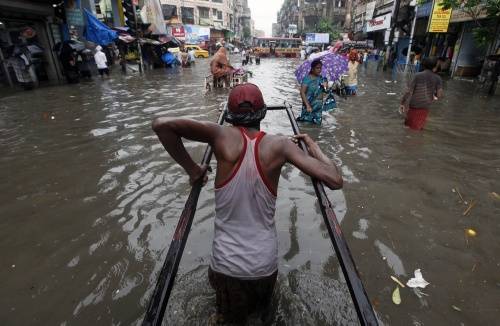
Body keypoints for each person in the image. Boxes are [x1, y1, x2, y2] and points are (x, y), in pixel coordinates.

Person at [151, 83, 343, 325]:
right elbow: (335, 179)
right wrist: (313, 147)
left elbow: (161, 124)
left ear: (229, 115)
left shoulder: (219, 135)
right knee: (263, 318)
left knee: (228, 320)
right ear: (262, 113)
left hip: (226, 265)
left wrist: (193, 170)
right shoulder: (281, 145)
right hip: (264, 266)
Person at [400, 57, 443, 130]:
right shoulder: (438, 78)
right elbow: (439, 95)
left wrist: (402, 103)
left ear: (424, 65)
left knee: (409, 126)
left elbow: (408, 91)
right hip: (425, 106)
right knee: (417, 128)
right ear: (435, 66)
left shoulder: (418, 75)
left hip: (414, 105)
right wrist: (434, 94)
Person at [296, 59, 335, 125]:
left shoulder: (322, 79)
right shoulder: (307, 79)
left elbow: (326, 91)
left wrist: (327, 86)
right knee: (306, 124)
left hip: (318, 107)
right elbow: (302, 92)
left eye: (320, 68)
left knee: (317, 126)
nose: (319, 70)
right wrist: (307, 105)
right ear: (312, 69)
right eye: (317, 68)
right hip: (309, 105)